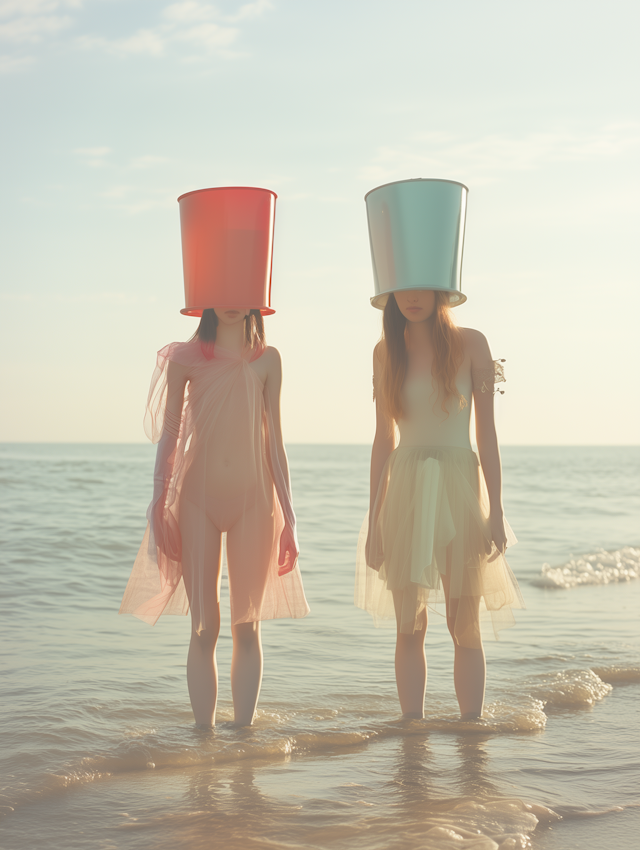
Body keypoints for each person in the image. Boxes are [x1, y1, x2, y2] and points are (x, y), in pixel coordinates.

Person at [120, 187, 309, 728]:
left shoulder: (268, 359)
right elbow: (170, 437)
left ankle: (243, 740)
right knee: (205, 625)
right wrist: (159, 504)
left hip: (255, 501)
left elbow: (276, 441)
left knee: (248, 624)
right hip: (199, 499)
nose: (230, 297)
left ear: (257, 292)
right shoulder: (187, 358)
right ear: (204, 289)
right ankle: (203, 741)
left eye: (241, 285)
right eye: (220, 285)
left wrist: (290, 519)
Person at [355, 179, 524, 720]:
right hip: (405, 488)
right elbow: (383, 440)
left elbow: (487, 435)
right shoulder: (385, 352)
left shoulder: (472, 344)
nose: (412, 294)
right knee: (411, 625)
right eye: (402, 283)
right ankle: (413, 737)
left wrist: (497, 509)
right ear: (390, 288)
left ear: (441, 287)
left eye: (423, 282)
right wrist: (375, 516)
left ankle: (471, 736)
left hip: (456, 484)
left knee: (462, 622)